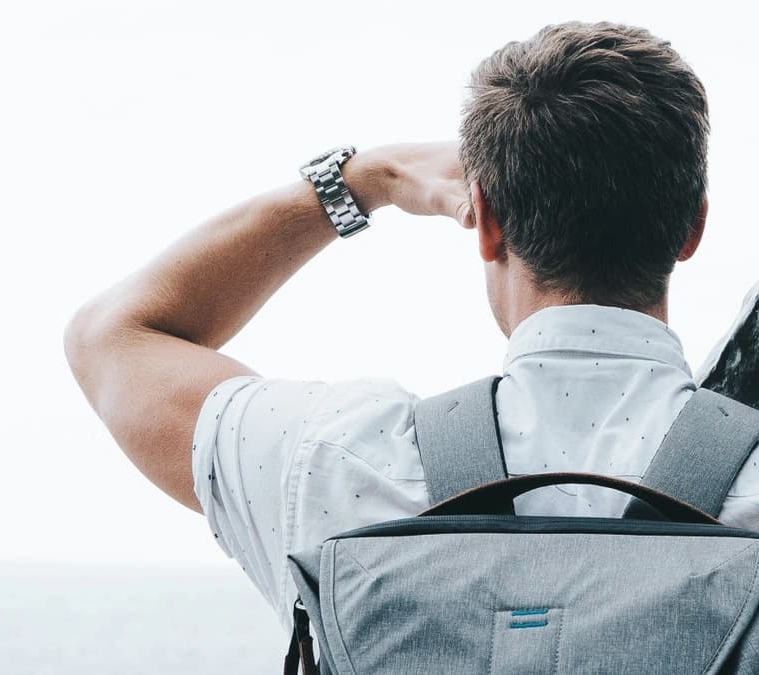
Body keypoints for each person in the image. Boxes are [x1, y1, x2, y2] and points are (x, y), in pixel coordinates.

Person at [62, 20, 759, 634]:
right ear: (692, 226)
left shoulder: (342, 459)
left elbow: (111, 336)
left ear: (484, 223)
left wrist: (365, 179)